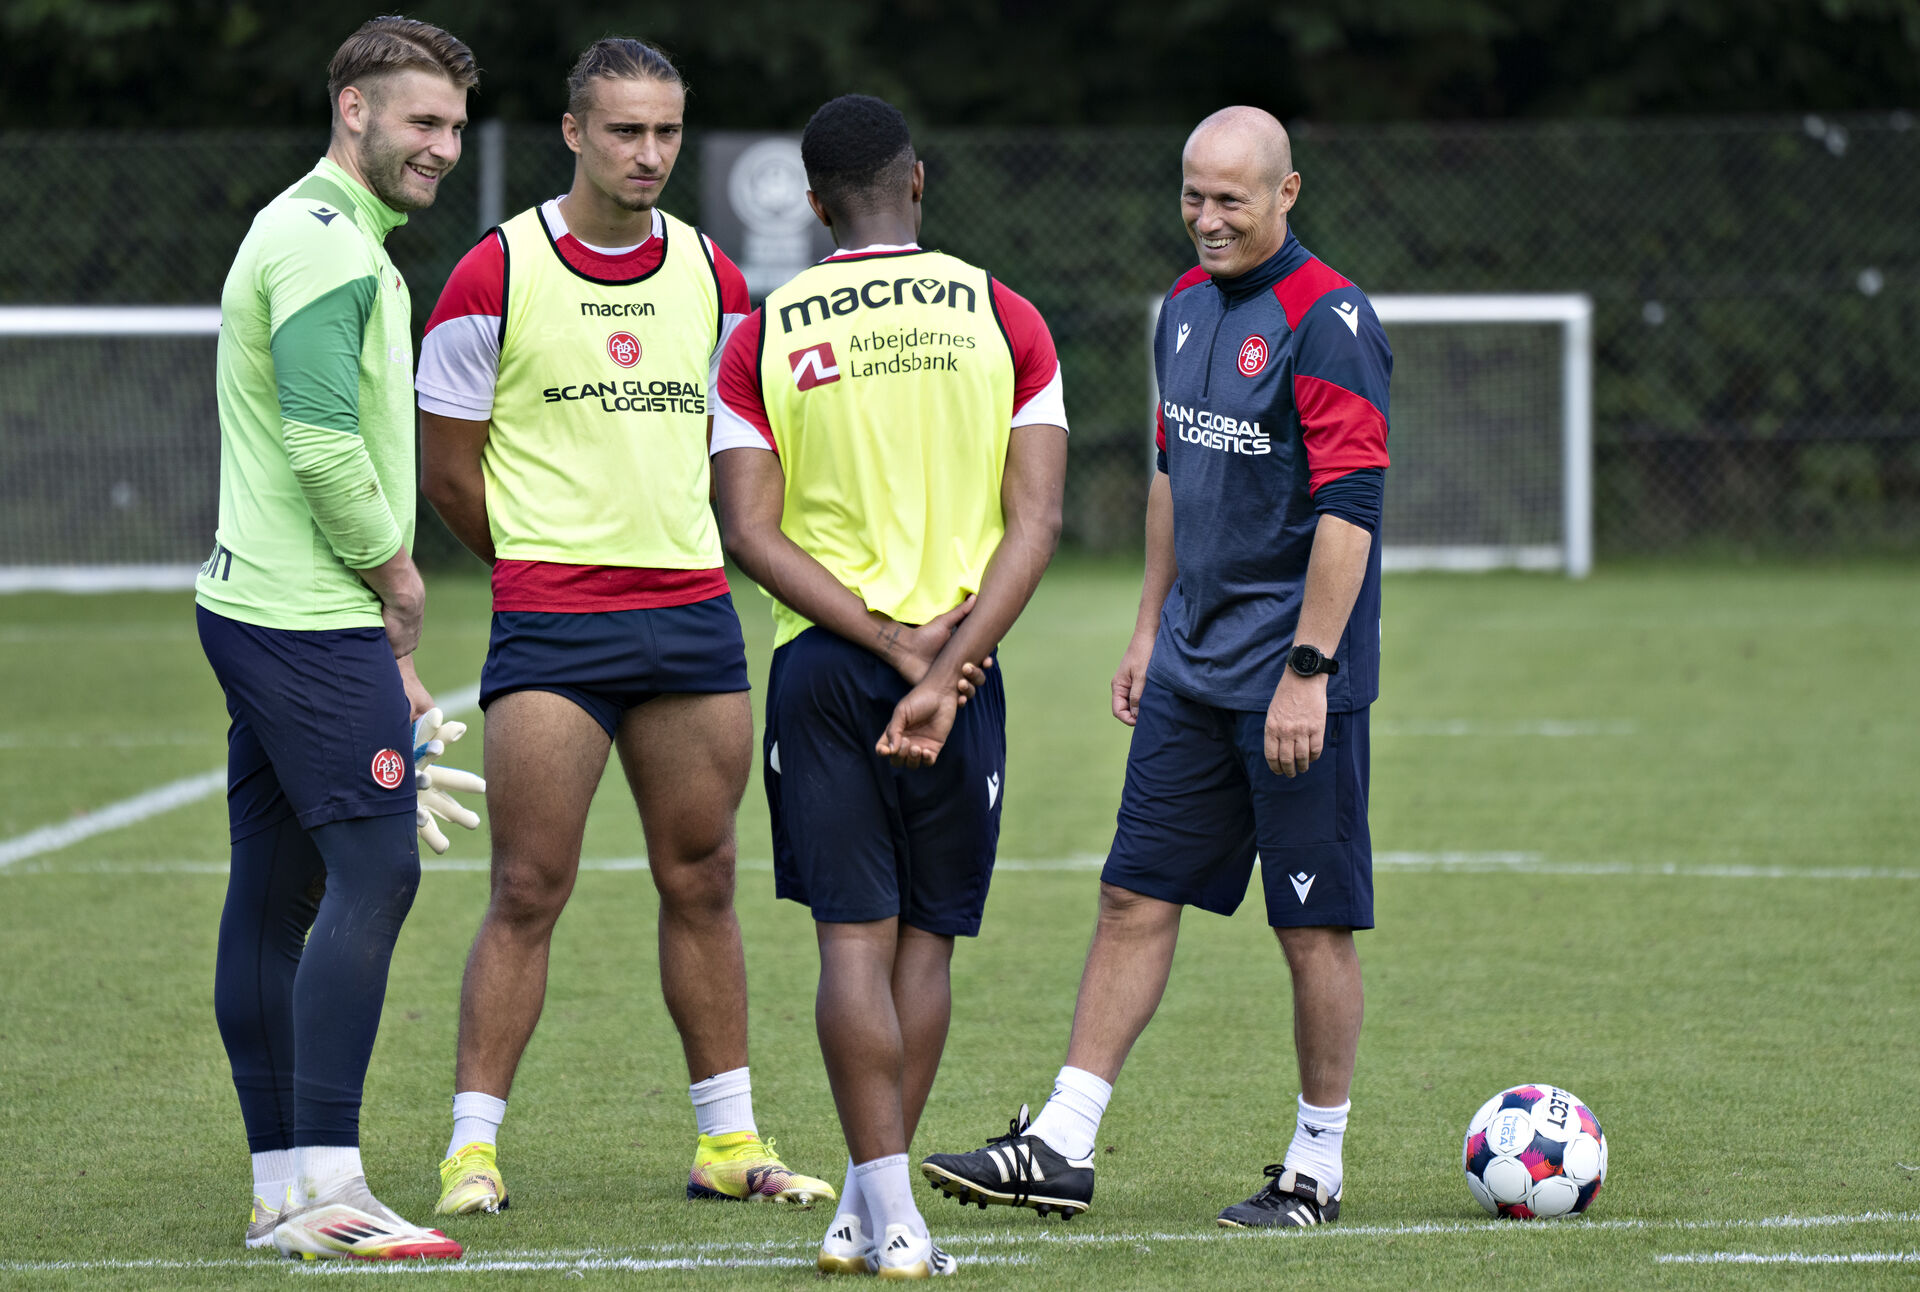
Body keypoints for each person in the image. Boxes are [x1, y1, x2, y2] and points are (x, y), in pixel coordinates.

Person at [921, 105, 1392, 1230]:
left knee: (1310, 924)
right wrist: (1147, 627)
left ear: (1287, 194)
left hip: (1293, 680)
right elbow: (1175, 477)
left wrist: (1310, 668)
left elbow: (1352, 508)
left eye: (1233, 197)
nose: (1207, 217)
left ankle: (1314, 1168)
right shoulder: (1181, 310)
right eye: (1194, 193)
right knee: (1133, 895)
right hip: (1191, 666)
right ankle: (1064, 1142)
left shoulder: (1329, 321)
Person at [415, 37, 832, 1216]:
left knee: (703, 876)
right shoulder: (494, 274)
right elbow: (447, 473)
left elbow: (745, 449)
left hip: (694, 617)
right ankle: (472, 1150)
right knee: (529, 884)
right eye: (624, 131)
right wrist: (538, 568)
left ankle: (728, 1140)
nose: (649, 153)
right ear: (573, 133)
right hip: (553, 624)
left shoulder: (717, 276)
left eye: (665, 132)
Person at [712, 93, 1069, 1278]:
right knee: (926, 944)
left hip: (824, 667)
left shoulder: (761, 329)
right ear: (918, 183)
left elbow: (749, 532)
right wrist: (944, 661)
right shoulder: (1005, 312)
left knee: (849, 944)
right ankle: (887, 1211)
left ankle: (873, 1213)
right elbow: (1039, 521)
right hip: (962, 667)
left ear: (814, 205)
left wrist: (884, 647)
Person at [195, 16, 479, 1262]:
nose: (444, 147)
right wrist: (396, 578)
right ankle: (329, 1187)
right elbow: (319, 436)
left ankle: (279, 1190)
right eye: (423, 121)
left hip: (257, 604)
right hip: (306, 617)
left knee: (276, 891)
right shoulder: (323, 246)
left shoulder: (318, 232)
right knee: (377, 874)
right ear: (353, 110)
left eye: (457, 127)